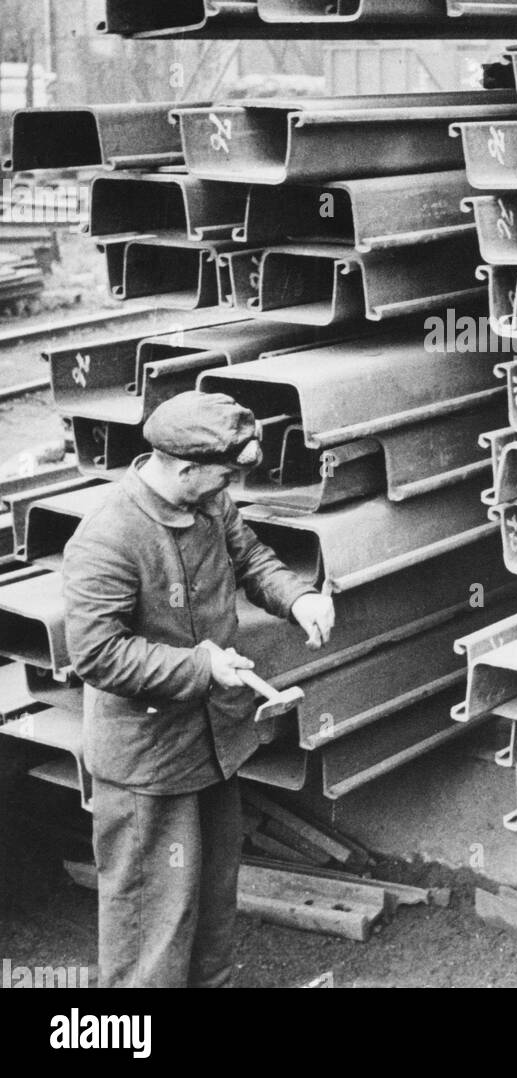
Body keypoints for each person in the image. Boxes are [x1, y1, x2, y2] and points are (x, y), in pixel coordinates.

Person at [62, 390, 334, 989]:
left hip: (213, 747)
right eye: (223, 475)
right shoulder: (107, 539)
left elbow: (251, 558)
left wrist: (298, 596)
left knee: (212, 909)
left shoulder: (209, 502)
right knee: (150, 927)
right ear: (183, 468)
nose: (229, 488)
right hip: (148, 764)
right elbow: (96, 655)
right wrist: (200, 669)